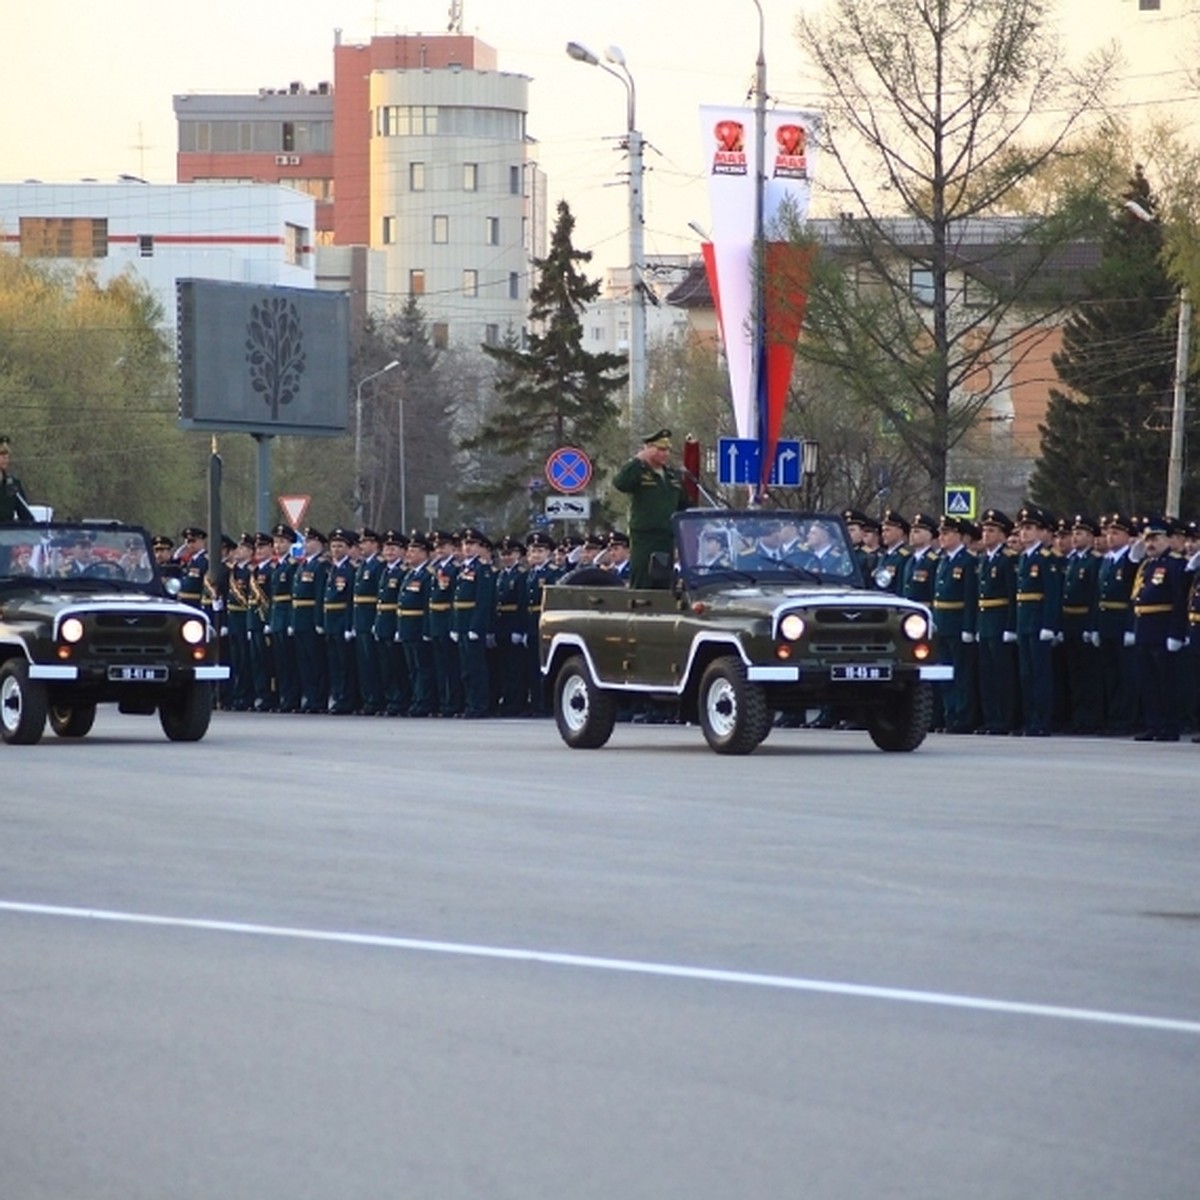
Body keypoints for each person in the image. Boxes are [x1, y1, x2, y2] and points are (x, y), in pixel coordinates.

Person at [1131, 514, 1189, 741]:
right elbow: (1135, 595)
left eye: (1155, 538)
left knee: (1166, 681)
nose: (1150, 544)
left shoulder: (1175, 564)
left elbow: (1179, 600)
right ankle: (1154, 725)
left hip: (1163, 629)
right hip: (1144, 628)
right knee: (1148, 682)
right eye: (1147, 539)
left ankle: (1170, 726)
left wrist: (1176, 633)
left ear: (1167, 539)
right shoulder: (1146, 565)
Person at [611, 428, 690, 588]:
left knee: (664, 581)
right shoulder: (639, 472)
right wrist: (638, 460)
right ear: (648, 449)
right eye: (660, 449)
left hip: (667, 536)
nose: (665, 454)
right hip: (645, 537)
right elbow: (621, 483)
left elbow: (684, 504)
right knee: (644, 578)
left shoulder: (671, 476)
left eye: (667, 450)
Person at [0, 436, 35, 523]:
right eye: (1, 454)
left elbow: (26, 517)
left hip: (7, 535)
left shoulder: (13, 485)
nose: (6, 458)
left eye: (7, 454)